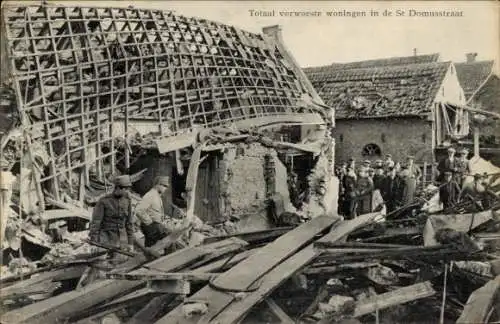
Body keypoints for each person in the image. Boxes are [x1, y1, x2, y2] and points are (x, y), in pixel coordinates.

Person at [88, 175, 135, 259]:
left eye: (128, 189)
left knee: (120, 264)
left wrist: (130, 243)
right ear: (118, 188)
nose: (127, 191)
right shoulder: (104, 201)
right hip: (105, 239)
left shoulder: (127, 200)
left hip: (121, 240)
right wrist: (93, 243)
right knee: (101, 263)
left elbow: (129, 223)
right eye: (125, 189)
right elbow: (96, 223)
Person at [135, 176, 171, 247]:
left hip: (155, 226)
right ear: (158, 184)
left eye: (166, 186)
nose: (165, 188)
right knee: (154, 246)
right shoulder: (150, 195)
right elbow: (139, 210)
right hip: (151, 227)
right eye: (164, 186)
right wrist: (150, 223)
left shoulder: (156, 195)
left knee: (155, 246)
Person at [0, 158, 16, 248]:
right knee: (3, 220)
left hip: (4, 200)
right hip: (4, 201)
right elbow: (5, 196)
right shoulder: (6, 175)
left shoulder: (6, 175)